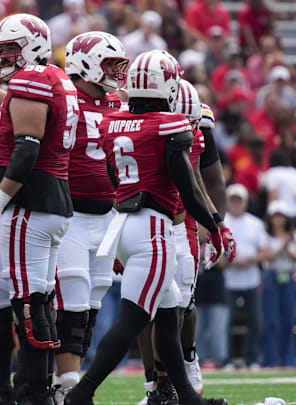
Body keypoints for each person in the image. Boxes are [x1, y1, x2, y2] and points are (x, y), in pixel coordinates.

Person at [64, 50, 226, 405]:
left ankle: (187, 396)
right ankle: (81, 393)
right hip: (154, 229)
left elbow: (113, 176)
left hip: (124, 222)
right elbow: (188, 187)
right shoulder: (168, 125)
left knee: (168, 318)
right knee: (132, 321)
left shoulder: (112, 122)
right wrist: (214, 225)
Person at [0, 13, 78, 404]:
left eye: (10, 48)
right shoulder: (55, 78)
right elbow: (12, 107)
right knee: (41, 297)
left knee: (28, 302)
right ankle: (41, 387)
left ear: (34, 45)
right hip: (54, 201)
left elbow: (27, 147)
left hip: (31, 203)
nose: (3, 57)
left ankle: (32, 390)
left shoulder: (32, 78)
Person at [136, 79, 235, 405]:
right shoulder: (135, 114)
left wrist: (215, 222)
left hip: (185, 212)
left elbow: (204, 176)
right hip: (147, 210)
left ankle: (187, 359)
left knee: (182, 301)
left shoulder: (195, 115)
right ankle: (155, 385)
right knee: (144, 305)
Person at [54, 31, 129, 402]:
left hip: (107, 215)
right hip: (69, 214)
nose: (115, 72)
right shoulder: (64, 99)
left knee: (92, 305)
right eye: (109, 63)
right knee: (72, 300)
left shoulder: (118, 103)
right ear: (83, 62)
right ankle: (67, 383)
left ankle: (67, 382)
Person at [222, 183, 268, 369]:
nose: (236, 203)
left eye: (239, 200)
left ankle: (253, 359)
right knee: (227, 322)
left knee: (255, 322)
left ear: (245, 202)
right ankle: (228, 360)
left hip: (250, 279)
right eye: (232, 200)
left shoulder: (255, 223)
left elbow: (265, 251)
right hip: (229, 280)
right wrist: (232, 261)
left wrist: (249, 260)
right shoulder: (223, 222)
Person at [261, 200, 296, 367]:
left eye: (281, 216)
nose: (278, 219)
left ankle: (288, 360)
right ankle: (271, 360)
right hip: (271, 276)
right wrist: (283, 245)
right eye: (275, 215)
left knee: (288, 320)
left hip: (288, 276)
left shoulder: (293, 235)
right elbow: (266, 256)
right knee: (271, 321)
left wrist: (287, 246)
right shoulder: (265, 234)